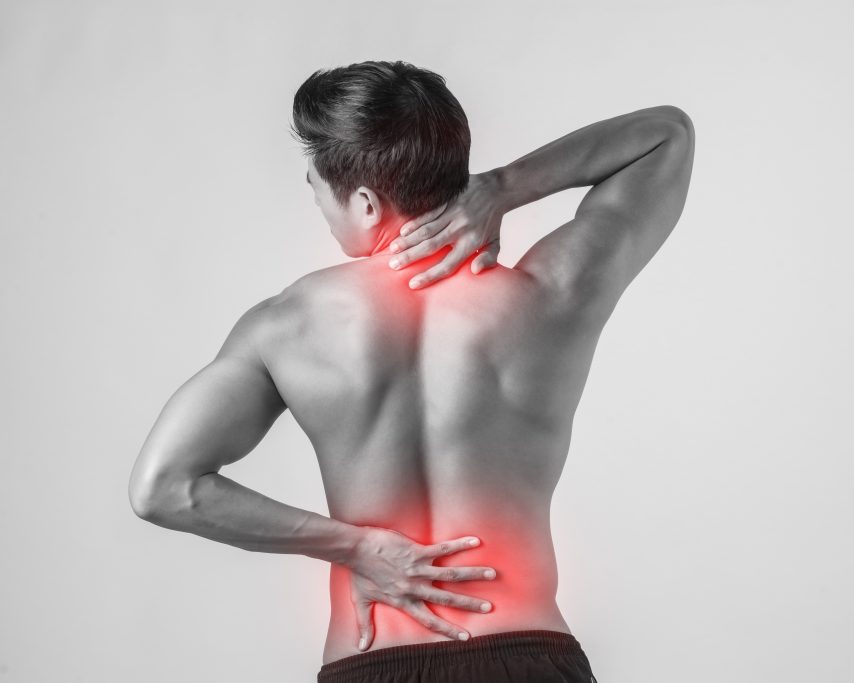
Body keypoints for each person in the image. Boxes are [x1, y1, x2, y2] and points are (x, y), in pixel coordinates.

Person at [128, 60, 694, 683]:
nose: (316, 200)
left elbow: (164, 488)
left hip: (372, 662)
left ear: (365, 203)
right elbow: (666, 135)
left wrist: (354, 547)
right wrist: (504, 186)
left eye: (315, 185)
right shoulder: (548, 294)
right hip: (530, 657)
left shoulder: (285, 325)